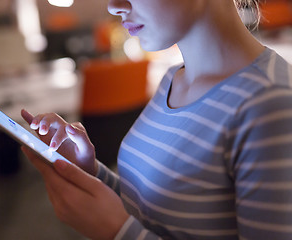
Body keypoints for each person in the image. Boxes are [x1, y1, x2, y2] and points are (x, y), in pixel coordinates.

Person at [21, 0, 292, 239]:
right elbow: (151, 213)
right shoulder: (174, 79)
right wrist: (93, 172)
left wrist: (115, 231)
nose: (113, 5)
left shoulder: (270, 104)